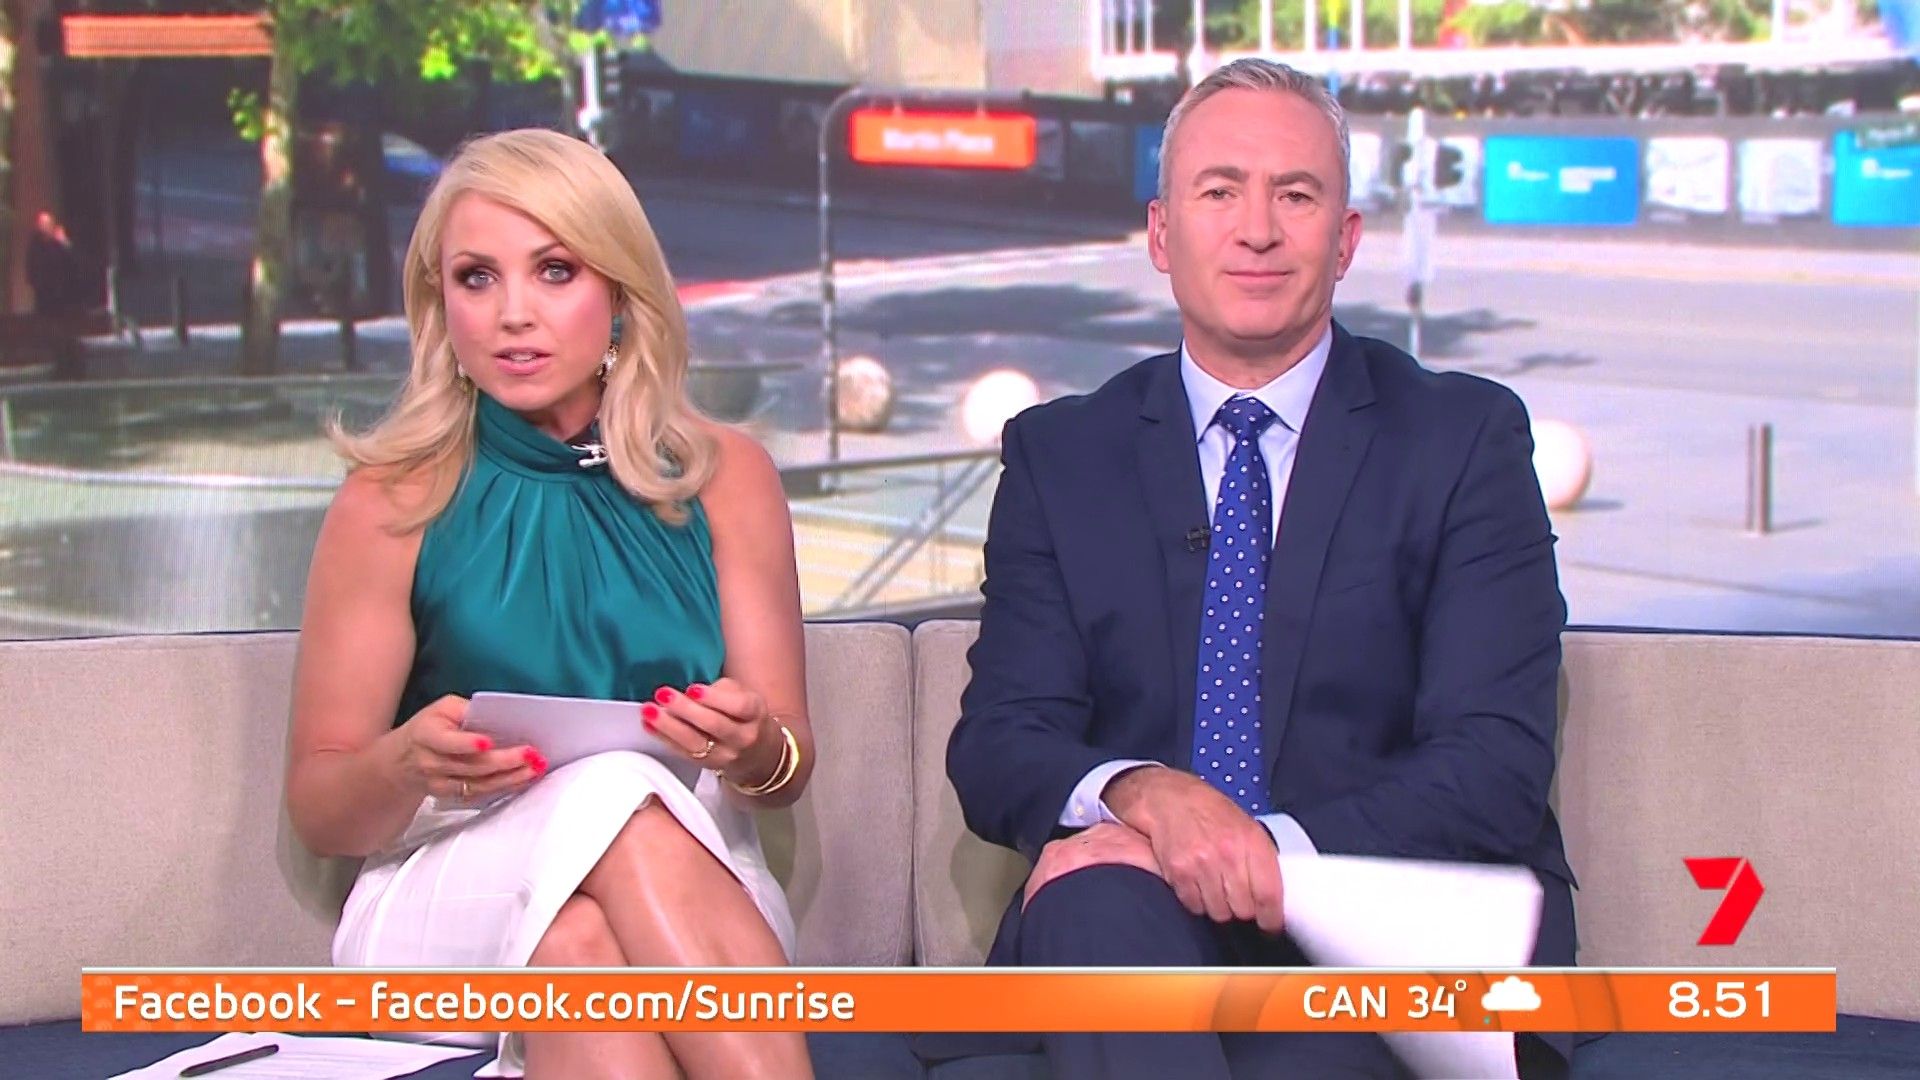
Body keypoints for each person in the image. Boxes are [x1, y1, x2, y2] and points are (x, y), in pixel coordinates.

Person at [938, 60, 1576, 1079]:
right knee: (1097, 905)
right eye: (1220, 191)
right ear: (1161, 234)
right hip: (1129, 928)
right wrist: (1145, 795)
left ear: (1346, 239)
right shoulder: (1064, 456)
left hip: (1388, 936)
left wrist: (1253, 853)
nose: (1258, 230)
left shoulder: (1462, 440)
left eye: (1296, 195)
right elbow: (1004, 742)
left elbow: (1493, 767)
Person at [285, 128, 815, 1080]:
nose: (513, 315)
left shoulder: (729, 478)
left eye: (555, 271)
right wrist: (405, 763)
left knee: (578, 943)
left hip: (694, 885)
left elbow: (786, 770)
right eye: (477, 278)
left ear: (619, 292)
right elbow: (321, 812)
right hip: (445, 896)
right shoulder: (391, 501)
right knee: (610, 791)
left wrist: (752, 747)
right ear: (440, 303)